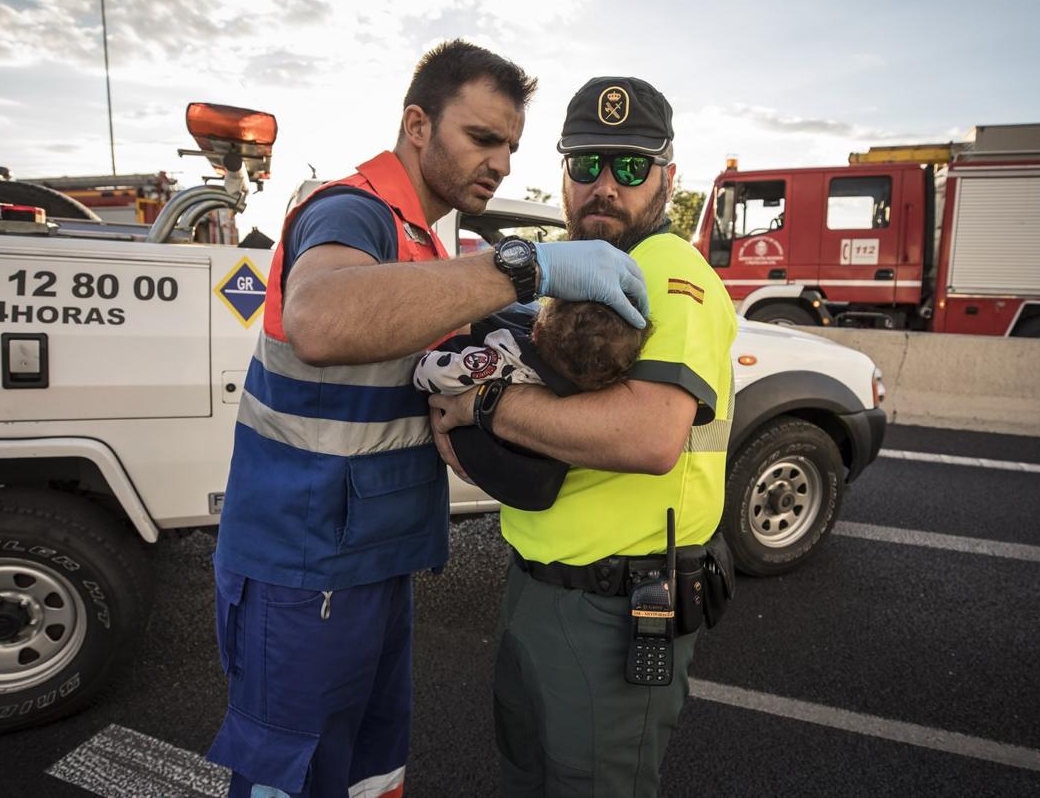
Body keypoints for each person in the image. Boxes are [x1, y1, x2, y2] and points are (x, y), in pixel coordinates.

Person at [206, 42, 651, 798]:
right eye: (483, 138)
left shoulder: (428, 237)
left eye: (511, 146)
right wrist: (526, 266)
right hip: (302, 569)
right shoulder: (352, 209)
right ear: (418, 124)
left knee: (372, 779)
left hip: (373, 565)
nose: (503, 163)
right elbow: (319, 318)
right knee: (298, 780)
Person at [429, 76, 740, 795]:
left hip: (615, 612)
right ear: (563, 173)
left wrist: (485, 406)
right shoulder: (571, 269)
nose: (605, 186)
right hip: (536, 590)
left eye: (630, 168)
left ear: (669, 178)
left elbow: (649, 435)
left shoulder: (669, 271)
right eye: (587, 164)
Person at [413, 299, 647, 510]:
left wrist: (429, 358)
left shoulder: (506, 359)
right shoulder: (596, 392)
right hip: (537, 480)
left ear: (535, 331)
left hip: (484, 463)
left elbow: (429, 374)